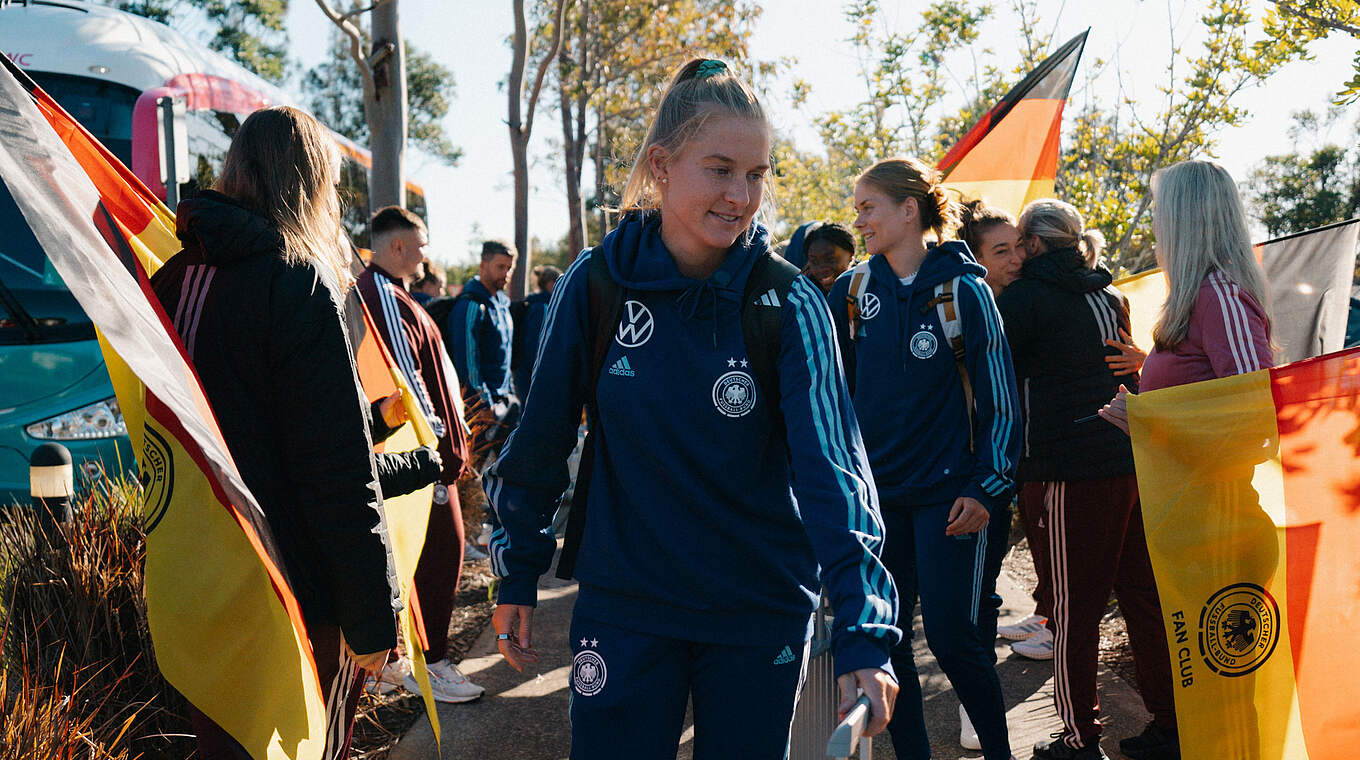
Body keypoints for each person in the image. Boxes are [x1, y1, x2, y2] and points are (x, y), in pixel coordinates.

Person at [485, 57, 900, 759]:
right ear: (661, 165)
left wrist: (864, 626)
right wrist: (517, 568)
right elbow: (541, 437)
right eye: (720, 170)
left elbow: (834, 473)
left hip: (757, 610)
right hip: (626, 606)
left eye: (757, 174)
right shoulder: (598, 282)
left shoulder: (790, 302)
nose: (741, 196)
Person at [148, 106, 398, 759]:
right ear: (309, 184)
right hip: (291, 590)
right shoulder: (294, 279)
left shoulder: (171, 277)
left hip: (196, 578)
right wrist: (372, 618)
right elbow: (335, 469)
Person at [829, 157, 1020, 760]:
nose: (859, 221)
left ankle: (999, 754)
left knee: (951, 635)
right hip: (876, 501)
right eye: (857, 209)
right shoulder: (851, 292)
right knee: (888, 644)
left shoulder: (964, 291)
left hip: (949, 497)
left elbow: (1001, 401)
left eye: (869, 208)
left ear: (909, 210)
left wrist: (986, 487)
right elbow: (833, 398)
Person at [1098, 160, 1274, 760]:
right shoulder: (1197, 298)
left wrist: (1151, 423)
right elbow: (1208, 401)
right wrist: (1147, 410)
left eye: (1160, 210)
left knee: (1226, 703)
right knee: (1209, 699)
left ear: (1185, 217)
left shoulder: (1219, 295)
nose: (1154, 223)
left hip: (1223, 525)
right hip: (1193, 526)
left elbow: (1255, 419)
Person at [993, 198, 1169, 760]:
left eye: (1019, 244)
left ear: (1034, 243)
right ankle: (1170, 725)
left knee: (1072, 610)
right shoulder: (1109, 295)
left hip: (1068, 469)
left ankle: (1079, 739)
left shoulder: (1021, 300)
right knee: (1142, 597)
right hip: (1129, 460)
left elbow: (998, 381)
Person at [357, 205, 485, 703]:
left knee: (427, 556)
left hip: (415, 456)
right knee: (439, 554)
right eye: (422, 244)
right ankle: (430, 665)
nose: (427, 254)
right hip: (419, 460)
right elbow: (405, 383)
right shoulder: (385, 296)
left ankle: (412, 661)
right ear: (398, 246)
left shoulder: (389, 293)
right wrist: (438, 449)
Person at [447, 240, 519, 408]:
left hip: (505, 401)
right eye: (500, 267)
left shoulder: (503, 303)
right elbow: (467, 363)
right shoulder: (471, 304)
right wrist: (484, 404)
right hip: (483, 408)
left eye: (509, 268)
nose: (506, 273)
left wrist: (510, 394)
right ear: (483, 265)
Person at [511, 263, 561, 398]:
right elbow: (534, 345)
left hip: (525, 370)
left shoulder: (534, 303)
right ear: (551, 284)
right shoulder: (542, 308)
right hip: (531, 372)